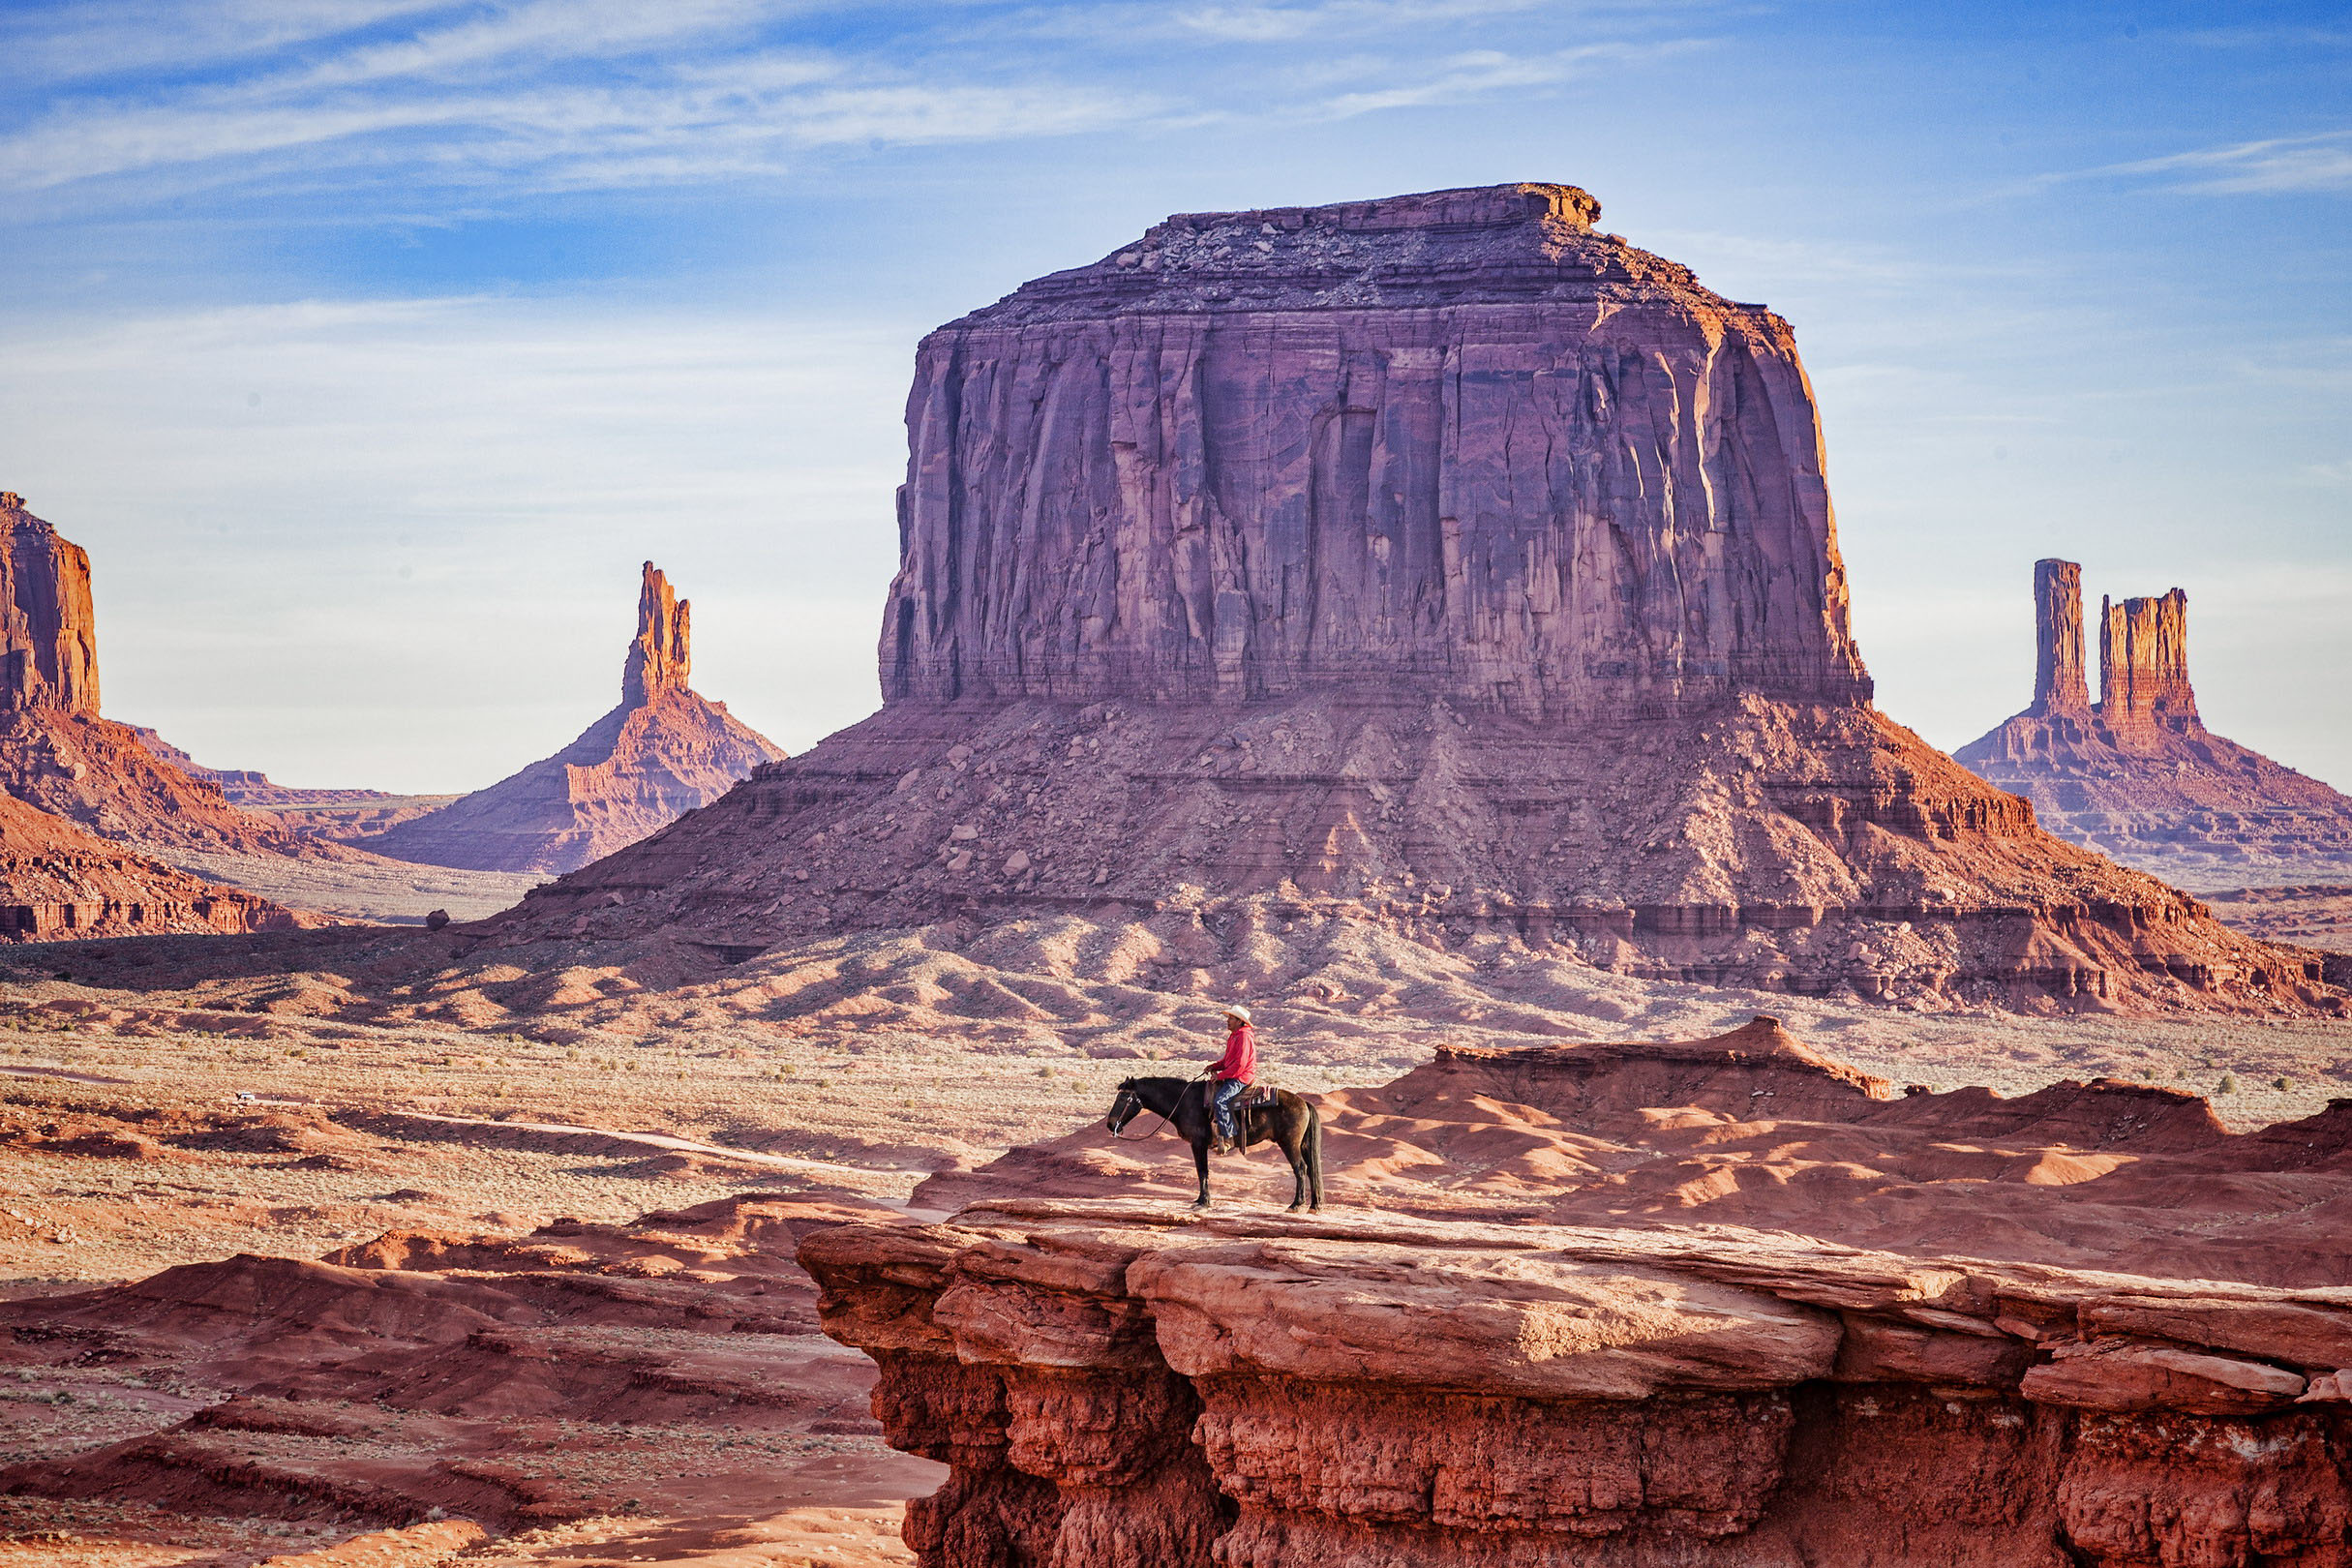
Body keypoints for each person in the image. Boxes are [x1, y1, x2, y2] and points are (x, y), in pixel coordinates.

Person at [1206, 1005, 1255, 1154]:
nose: (1228, 1021)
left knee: (1220, 1101)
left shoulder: (1243, 1036)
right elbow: (1228, 1061)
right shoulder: (1234, 1036)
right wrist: (1214, 1066)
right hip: (1235, 1074)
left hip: (1241, 1077)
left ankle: (1228, 1138)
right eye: (1228, 1017)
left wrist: (1220, 1076)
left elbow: (1240, 1064)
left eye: (1231, 1018)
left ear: (1240, 1021)